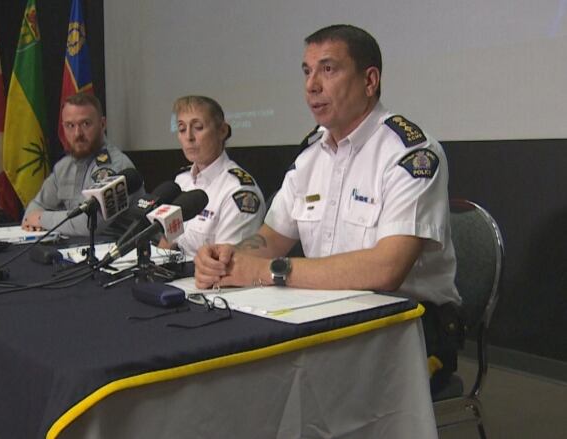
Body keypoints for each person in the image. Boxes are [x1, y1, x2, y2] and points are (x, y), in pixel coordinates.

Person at [193, 25, 463, 391]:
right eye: (306, 71)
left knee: (281, 388)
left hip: (407, 328)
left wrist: (267, 271)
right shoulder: (309, 158)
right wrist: (226, 257)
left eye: (328, 69)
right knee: (230, 368)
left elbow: (387, 269)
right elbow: (270, 239)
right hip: (325, 318)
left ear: (370, 81)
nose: (311, 85)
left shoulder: (410, 154)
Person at [22, 93, 143, 236]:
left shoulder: (116, 166)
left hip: (117, 249)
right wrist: (32, 220)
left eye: (85, 124)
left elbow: (89, 224)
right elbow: (35, 208)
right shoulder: (63, 167)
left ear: (102, 124)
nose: (77, 133)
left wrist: (42, 219)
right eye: (70, 125)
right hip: (77, 249)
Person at [163, 96, 265, 257]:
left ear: (222, 131)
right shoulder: (181, 181)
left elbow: (226, 263)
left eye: (198, 127)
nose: (189, 137)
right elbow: (165, 243)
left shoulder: (239, 191)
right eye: (182, 129)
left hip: (209, 279)